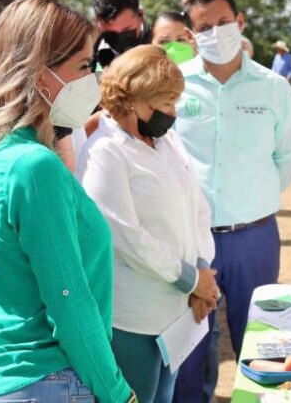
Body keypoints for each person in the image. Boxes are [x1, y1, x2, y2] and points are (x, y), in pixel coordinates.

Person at [0, 0, 134, 403]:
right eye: (85, 66)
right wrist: (118, 393)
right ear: (39, 74)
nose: (94, 79)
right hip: (47, 382)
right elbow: (69, 304)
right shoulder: (35, 167)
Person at [173, 0, 291, 403]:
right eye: (204, 27)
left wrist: (252, 197)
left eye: (223, 22)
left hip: (255, 236)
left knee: (262, 343)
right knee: (189, 350)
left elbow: (288, 154)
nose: (216, 32)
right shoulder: (175, 88)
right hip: (190, 241)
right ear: (191, 37)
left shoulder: (273, 87)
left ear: (241, 22)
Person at [78, 45, 219, 403]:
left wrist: (201, 270)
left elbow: (197, 208)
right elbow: (125, 235)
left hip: (176, 311)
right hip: (133, 318)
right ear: (134, 99)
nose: (172, 113)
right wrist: (191, 279)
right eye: (166, 103)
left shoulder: (165, 139)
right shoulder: (105, 151)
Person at [93, 0, 148, 71]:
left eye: (127, 30)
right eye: (110, 33)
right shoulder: (87, 54)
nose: (120, 39)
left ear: (140, 15)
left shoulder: (160, 44)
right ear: (97, 23)